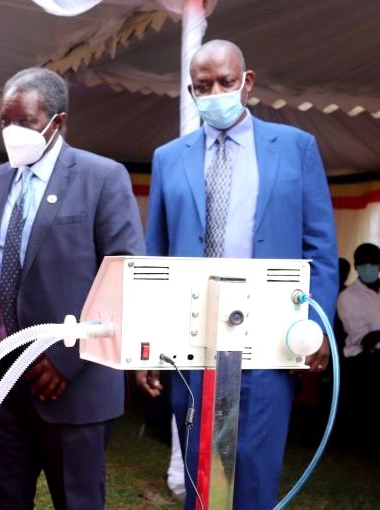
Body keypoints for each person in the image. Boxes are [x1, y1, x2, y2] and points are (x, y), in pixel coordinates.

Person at [137, 40, 337, 510]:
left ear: (247, 82)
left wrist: (318, 324)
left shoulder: (295, 147)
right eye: (204, 86)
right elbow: (157, 256)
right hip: (192, 339)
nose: (217, 93)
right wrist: (146, 339)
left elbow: (321, 249)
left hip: (270, 336)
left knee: (255, 467)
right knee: (199, 468)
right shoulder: (169, 157)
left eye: (226, 82)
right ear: (191, 91)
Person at [0, 67, 145, 509]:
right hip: (0, 383)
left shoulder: (103, 178)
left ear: (57, 122)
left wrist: (65, 359)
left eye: (24, 122)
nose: (12, 132)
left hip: (73, 388)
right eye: (5, 122)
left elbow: (124, 283)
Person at [336, 243, 380, 436]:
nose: (368, 266)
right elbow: (365, 339)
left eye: (373, 262)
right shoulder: (348, 297)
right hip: (363, 359)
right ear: (356, 265)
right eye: (363, 263)